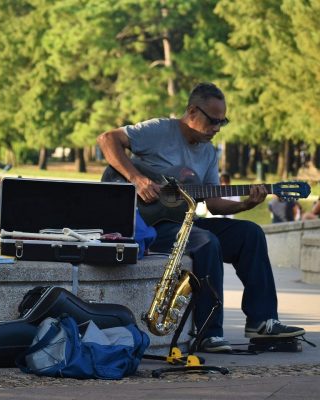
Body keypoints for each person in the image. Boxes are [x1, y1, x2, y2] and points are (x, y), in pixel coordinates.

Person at [97, 82, 304, 353]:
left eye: (223, 121)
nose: (217, 128)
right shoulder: (159, 130)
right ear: (193, 111)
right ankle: (208, 332)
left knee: (250, 234)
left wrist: (246, 205)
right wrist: (137, 180)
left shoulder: (208, 152)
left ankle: (262, 321)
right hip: (148, 225)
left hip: (183, 224)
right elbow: (106, 139)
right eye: (213, 120)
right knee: (206, 242)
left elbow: (215, 203)